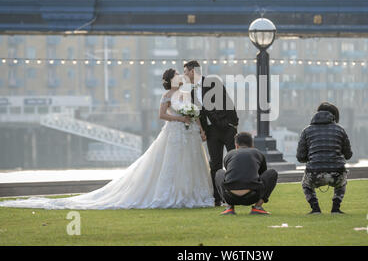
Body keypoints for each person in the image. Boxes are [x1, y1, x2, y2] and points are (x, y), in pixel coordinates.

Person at [0, 68, 215, 210]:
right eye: (177, 74)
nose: (180, 76)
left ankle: (193, 194)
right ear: (170, 80)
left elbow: (195, 114)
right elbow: (161, 115)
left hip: (190, 135)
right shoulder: (167, 96)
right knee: (171, 165)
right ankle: (172, 195)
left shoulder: (186, 95)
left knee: (191, 165)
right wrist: (180, 119)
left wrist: (200, 129)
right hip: (174, 134)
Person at [184, 60, 239, 206]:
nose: (184, 75)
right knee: (215, 165)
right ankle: (218, 198)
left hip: (227, 129)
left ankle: (236, 193)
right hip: (212, 132)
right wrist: (202, 130)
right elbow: (198, 113)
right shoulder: (191, 91)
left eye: (185, 72)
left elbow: (227, 101)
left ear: (192, 71)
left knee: (233, 161)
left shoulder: (212, 83)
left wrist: (233, 124)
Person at [297, 102, 353, 214]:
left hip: (314, 173)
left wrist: (313, 157)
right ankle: (336, 208)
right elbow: (348, 155)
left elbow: (300, 157)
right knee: (342, 181)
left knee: (306, 184)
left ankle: (315, 208)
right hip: (336, 173)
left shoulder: (306, 130)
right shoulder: (340, 130)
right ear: (334, 116)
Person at [214, 132, 278, 215]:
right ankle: (257, 207)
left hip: (230, 197)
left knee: (219, 172)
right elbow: (263, 174)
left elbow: (228, 176)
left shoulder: (229, 154)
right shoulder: (257, 153)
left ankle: (229, 207)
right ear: (252, 144)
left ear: (236, 145)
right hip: (252, 196)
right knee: (272, 173)